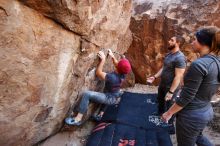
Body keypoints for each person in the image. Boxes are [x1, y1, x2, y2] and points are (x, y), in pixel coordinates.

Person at [162, 26, 220, 146]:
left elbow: (186, 97)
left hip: (191, 116)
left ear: (203, 43)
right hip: (205, 110)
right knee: (198, 137)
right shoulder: (217, 61)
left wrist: (169, 113)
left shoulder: (200, 65)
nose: (192, 42)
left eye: (195, 40)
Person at [65, 49, 131, 126]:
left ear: (118, 68)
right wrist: (112, 57)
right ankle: (100, 115)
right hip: (115, 94)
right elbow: (118, 65)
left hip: (109, 98)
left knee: (87, 94)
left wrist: (103, 60)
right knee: (108, 90)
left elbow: (98, 73)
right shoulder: (123, 73)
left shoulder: (112, 77)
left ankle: (78, 119)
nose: (118, 62)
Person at [147, 35, 186, 134]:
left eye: (172, 40)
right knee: (160, 100)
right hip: (163, 84)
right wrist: (155, 77)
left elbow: (178, 76)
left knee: (170, 105)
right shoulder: (169, 55)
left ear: (178, 43)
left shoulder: (180, 58)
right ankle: (160, 114)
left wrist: (171, 92)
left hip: (171, 87)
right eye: (170, 39)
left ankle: (170, 126)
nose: (169, 41)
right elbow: (164, 68)